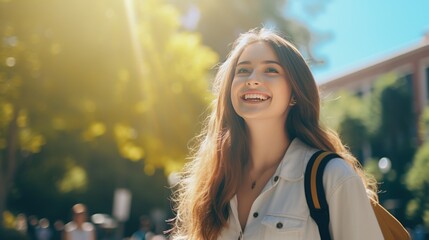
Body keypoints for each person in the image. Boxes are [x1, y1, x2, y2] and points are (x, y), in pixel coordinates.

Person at [170, 28, 384, 239]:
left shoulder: (333, 176)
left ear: (295, 93)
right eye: (243, 70)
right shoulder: (213, 184)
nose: (252, 79)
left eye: (271, 70)